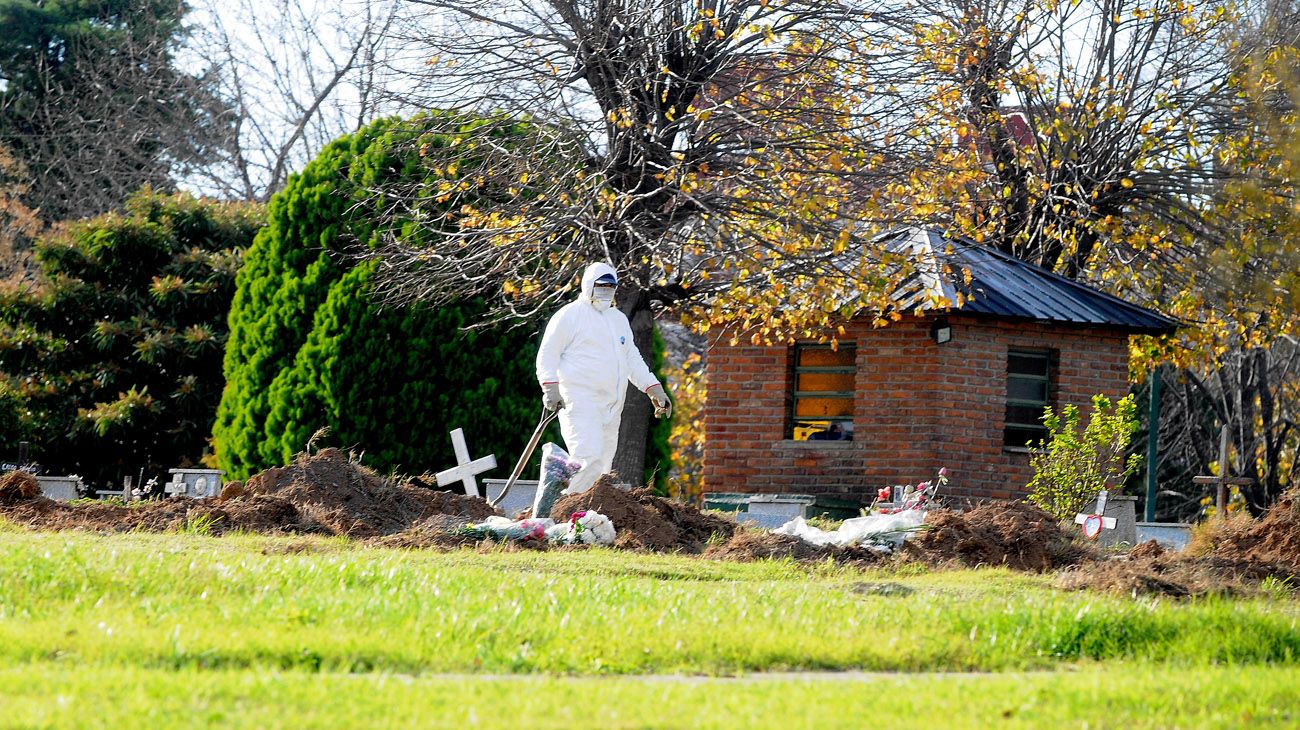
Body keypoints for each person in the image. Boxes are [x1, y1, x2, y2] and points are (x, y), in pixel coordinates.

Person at [536, 262, 672, 495]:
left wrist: (653, 388)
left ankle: (584, 520)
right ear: (588, 286)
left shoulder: (617, 319)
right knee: (587, 459)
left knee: (602, 470)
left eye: (610, 287)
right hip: (579, 401)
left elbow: (631, 359)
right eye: (600, 286)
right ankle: (562, 508)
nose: (605, 292)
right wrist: (550, 387)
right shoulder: (570, 315)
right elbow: (548, 353)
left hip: (611, 405)